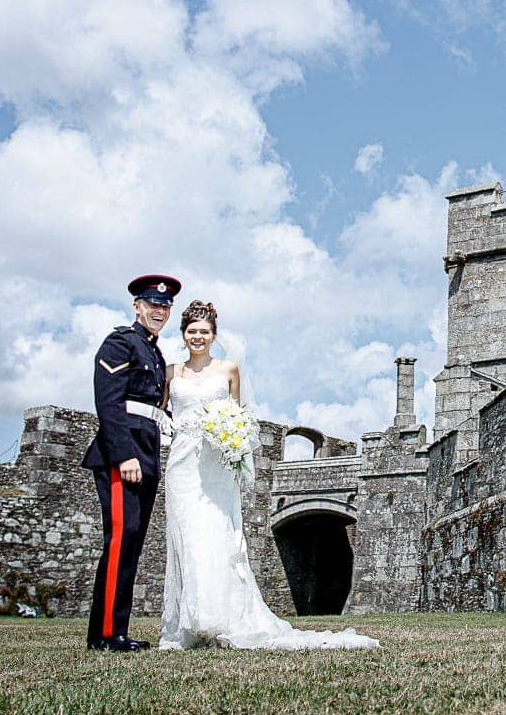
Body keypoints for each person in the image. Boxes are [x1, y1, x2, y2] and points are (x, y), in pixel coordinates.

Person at [159, 299, 378, 651]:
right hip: (182, 466)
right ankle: (189, 622)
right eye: (191, 331)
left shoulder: (229, 369)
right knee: (186, 539)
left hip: (216, 467)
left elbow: (243, 418)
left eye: (204, 331)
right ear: (183, 334)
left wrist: (231, 439)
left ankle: (219, 618)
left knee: (216, 537)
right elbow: (159, 415)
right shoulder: (171, 373)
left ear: (214, 335)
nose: (197, 337)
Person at [82, 273, 180, 652]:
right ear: (137, 306)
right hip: (124, 455)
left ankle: (112, 629)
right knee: (121, 541)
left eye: (165, 306)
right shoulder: (120, 343)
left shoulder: (155, 352)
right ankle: (107, 634)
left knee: (132, 544)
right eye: (153, 304)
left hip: (147, 452)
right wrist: (124, 454)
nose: (159, 310)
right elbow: (109, 403)